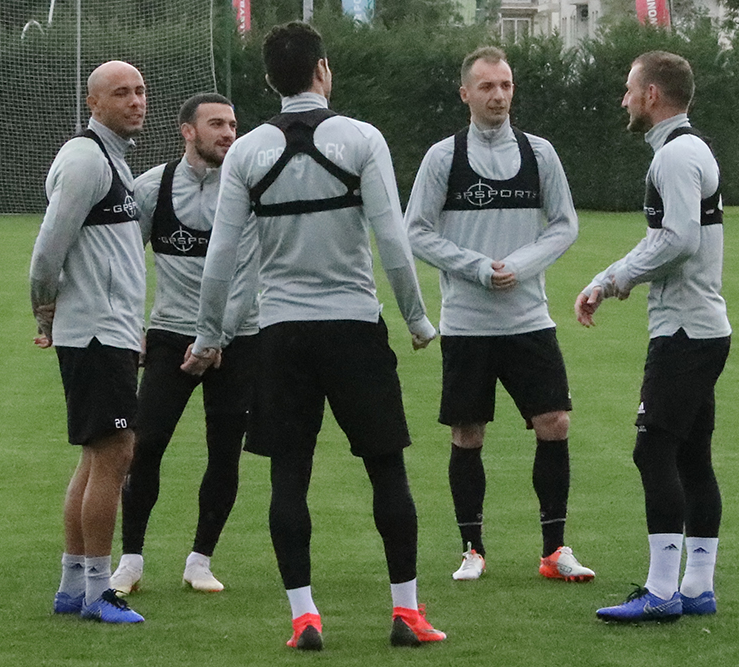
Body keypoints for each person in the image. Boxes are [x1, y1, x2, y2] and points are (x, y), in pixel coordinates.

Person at [182, 21, 445, 651]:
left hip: (280, 334)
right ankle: (406, 613)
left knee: (288, 477)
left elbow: (222, 259)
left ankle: (304, 618)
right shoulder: (361, 138)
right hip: (354, 328)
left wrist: (210, 335)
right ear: (323, 70)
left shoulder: (246, 153)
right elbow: (391, 239)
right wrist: (416, 319)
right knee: (387, 470)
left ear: (269, 79)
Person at [405, 46, 594, 584]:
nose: (498, 96)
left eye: (506, 85)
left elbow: (564, 224)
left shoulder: (540, 153)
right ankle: (473, 549)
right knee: (468, 433)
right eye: (487, 86)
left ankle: (555, 550)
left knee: (554, 423)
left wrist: (519, 265)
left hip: (529, 320)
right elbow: (415, 229)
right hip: (467, 323)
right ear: (465, 93)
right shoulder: (444, 157)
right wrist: (477, 268)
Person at [576, 51, 730, 623]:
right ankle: (697, 587)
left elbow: (678, 240)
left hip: (685, 332)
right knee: (691, 456)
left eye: (628, 89)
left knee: (653, 450)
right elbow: (669, 237)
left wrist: (615, 279)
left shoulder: (676, 155)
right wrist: (609, 276)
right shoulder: (687, 149)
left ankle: (663, 591)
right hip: (700, 329)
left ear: (652, 95)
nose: (623, 99)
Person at [108, 94, 259, 597]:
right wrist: (132, 327)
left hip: (237, 339)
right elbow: (124, 264)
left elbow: (247, 275)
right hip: (171, 336)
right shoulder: (151, 188)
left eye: (232, 124)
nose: (228, 133)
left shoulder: (248, 190)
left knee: (224, 452)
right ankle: (130, 561)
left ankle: (200, 560)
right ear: (187, 131)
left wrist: (215, 338)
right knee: (145, 446)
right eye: (216, 124)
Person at [29, 60, 148, 623]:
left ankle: (73, 586)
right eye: (121, 93)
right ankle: (100, 591)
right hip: (96, 332)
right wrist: (43, 310)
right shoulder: (85, 159)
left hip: (111, 330)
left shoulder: (113, 159)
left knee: (98, 454)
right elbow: (48, 248)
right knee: (116, 453)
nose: (135, 101)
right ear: (93, 103)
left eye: (140, 91)